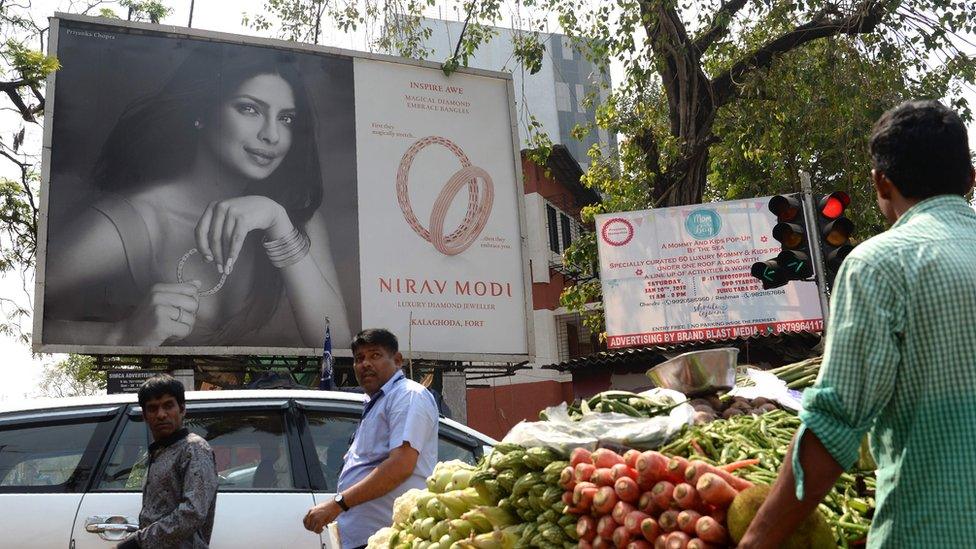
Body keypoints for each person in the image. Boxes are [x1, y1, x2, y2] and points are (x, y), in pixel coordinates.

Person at [738, 100, 976, 548]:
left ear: (880, 182)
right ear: (971, 177)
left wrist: (755, 541)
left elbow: (834, 427)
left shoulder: (881, 265)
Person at [44, 44, 350, 348]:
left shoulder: (292, 219)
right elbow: (23, 314)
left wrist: (276, 220)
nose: (271, 135)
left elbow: (336, 346)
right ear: (202, 112)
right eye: (249, 109)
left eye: (286, 118)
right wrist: (119, 336)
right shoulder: (134, 222)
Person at [303, 329, 439, 548]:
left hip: (394, 540)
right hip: (372, 540)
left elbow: (401, 465)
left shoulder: (407, 395)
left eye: (374, 355)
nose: (365, 364)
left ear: (397, 360)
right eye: (359, 358)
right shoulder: (376, 402)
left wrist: (338, 504)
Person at [117, 375, 218, 549]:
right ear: (145, 416)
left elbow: (193, 513)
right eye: (153, 408)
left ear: (182, 409)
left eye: (168, 405)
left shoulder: (193, 449)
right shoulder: (160, 451)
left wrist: (139, 542)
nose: (161, 414)